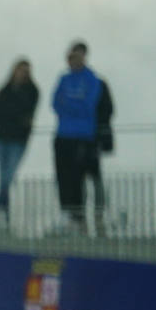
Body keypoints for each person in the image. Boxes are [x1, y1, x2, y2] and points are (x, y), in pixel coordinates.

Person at [51, 42, 112, 234]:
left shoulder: (93, 80)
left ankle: (85, 217)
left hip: (84, 136)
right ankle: (68, 214)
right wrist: (72, 105)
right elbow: (55, 103)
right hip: (63, 135)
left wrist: (69, 106)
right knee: (64, 177)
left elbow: (88, 105)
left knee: (81, 178)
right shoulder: (63, 79)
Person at [0, 58, 38, 228]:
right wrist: (14, 116)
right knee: (4, 176)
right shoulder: (5, 89)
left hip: (18, 140)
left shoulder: (32, 91)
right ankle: (4, 213)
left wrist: (10, 115)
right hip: (2, 138)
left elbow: (25, 112)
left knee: (7, 176)